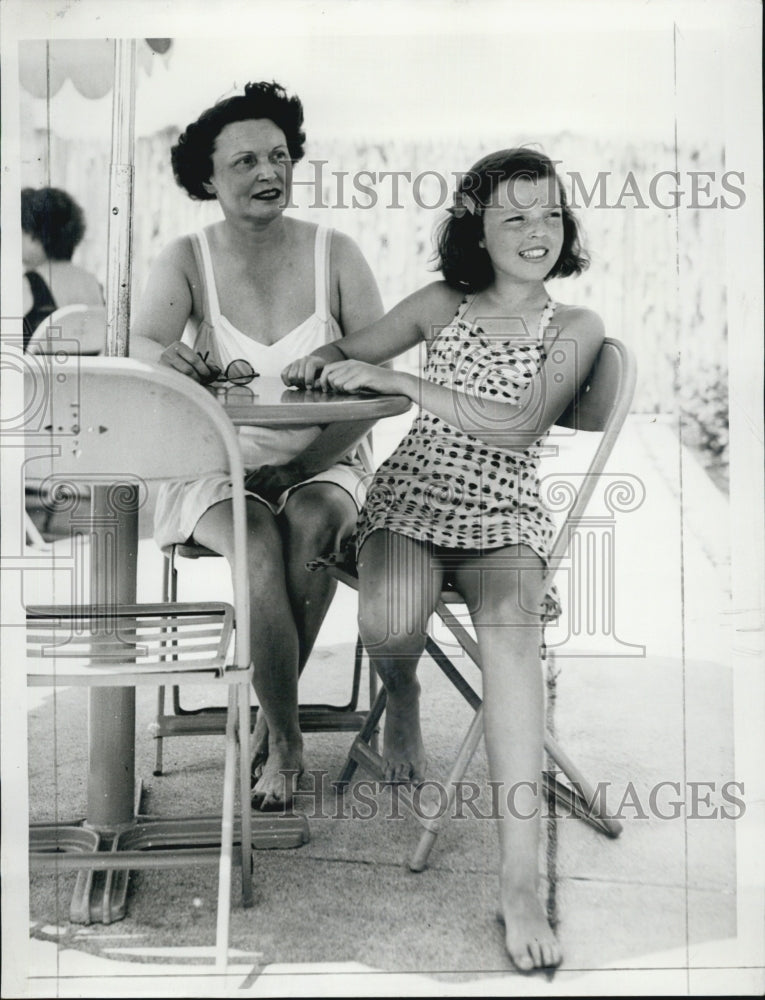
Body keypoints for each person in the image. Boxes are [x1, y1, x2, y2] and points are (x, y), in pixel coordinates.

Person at [282, 148, 605, 971]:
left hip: (503, 514)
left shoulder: (574, 326)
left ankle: (519, 884)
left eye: (549, 215)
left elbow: (518, 426)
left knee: (512, 639)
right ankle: (402, 697)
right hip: (414, 500)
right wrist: (323, 362)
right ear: (477, 228)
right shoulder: (440, 302)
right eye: (513, 216)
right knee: (389, 623)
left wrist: (399, 382)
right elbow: (347, 351)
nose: (536, 232)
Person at [130, 81, 384, 810]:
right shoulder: (186, 258)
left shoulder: (336, 253)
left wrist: (307, 462)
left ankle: (275, 732)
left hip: (327, 452)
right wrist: (162, 359)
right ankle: (288, 735)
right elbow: (141, 338)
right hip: (217, 459)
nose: (267, 173)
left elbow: (378, 387)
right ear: (206, 177)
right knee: (258, 547)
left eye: (278, 156)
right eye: (244, 161)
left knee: (308, 528)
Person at [21, 186, 104, 350]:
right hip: (91, 373)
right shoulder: (92, 281)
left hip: (39, 374)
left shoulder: (29, 284)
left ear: (35, 236)